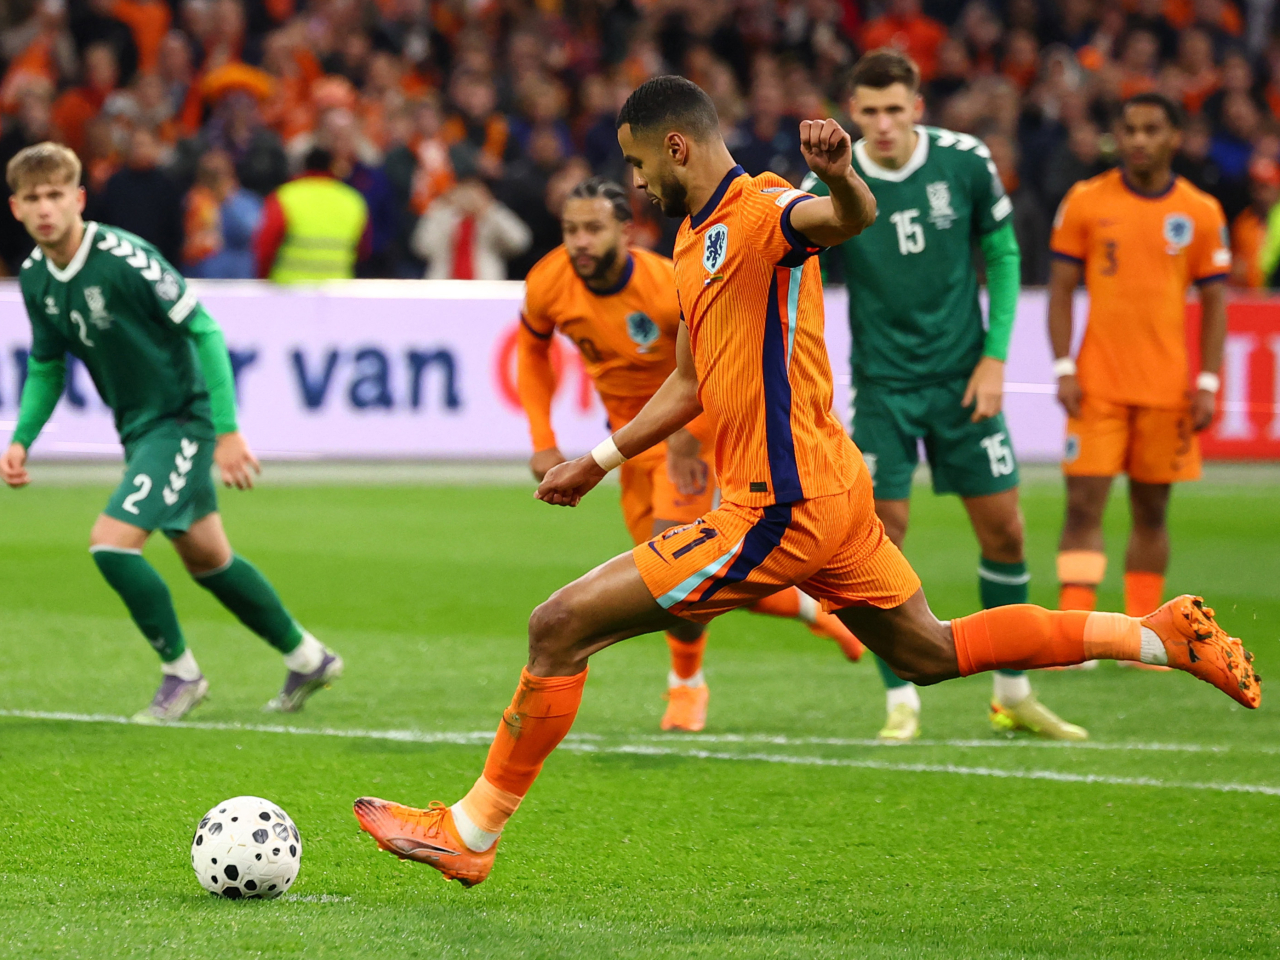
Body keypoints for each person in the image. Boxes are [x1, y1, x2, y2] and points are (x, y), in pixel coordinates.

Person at [352, 77, 1259, 888]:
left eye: (637, 162)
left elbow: (845, 219)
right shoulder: (692, 241)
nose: (634, 182)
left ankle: (471, 831)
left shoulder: (765, 209)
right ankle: (1156, 636)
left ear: (677, 146)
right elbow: (689, 382)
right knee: (930, 651)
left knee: (557, 626)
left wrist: (843, 175)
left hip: (777, 507)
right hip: (830, 495)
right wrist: (595, 463)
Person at [1, 142, 344, 722]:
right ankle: (308, 657)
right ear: (15, 208)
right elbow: (47, 364)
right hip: (139, 428)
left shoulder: (125, 258)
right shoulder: (36, 276)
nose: (45, 208)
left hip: (181, 419)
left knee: (111, 543)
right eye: (32, 198)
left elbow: (204, 330)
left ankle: (181, 674)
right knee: (208, 558)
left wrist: (226, 431)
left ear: (78, 198)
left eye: (55, 195)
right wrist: (21, 437)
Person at [804, 49, 1085, 742]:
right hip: (884, 389)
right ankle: (900, 699)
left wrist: (995, 358)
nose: (882, 124)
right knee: (877, 540)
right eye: (870, 111)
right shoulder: (834, 177)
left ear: (917, 108)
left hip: (963, 382)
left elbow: (1004, 254)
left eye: (894, 110)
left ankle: (1011, 693)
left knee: (1006, 530)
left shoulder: (964, 161)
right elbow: (798, 273)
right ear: (853, 111)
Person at [518, 175, 865, 731]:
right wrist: (542, 438)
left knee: (671, 574)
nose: (579, 241)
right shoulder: (548, 281)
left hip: (687, 438)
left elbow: (708, 365)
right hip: (625, 445)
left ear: (626, 231)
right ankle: (814, 608)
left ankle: (686, 686)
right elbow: (532, 351)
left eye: (593, 229)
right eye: (570, 229)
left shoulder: (665, 284)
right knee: (681, 577)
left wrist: (689, 435)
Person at [1049, 93, 1232, 634]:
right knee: (1083, 506)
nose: (1138, 140)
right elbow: (1060, 290)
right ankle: (1074, 634)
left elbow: (1216, 303)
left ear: (1175, 137)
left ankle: (1143, 634)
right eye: (1129, 129)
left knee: (1152, 513)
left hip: (1167, 389)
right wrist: (1063, 368)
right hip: (1096, 386)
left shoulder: (1201, 211)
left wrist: (1208, 381)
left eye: (1151, 129)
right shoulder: (1085, 200)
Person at [255, 146, 370, 283]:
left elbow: (265, 247)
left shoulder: (284, 197)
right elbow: (364, 249)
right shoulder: (352, 200)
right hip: (337, 286)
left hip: (290, 287)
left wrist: (263, 278)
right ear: (332, 167)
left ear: (303, 167)